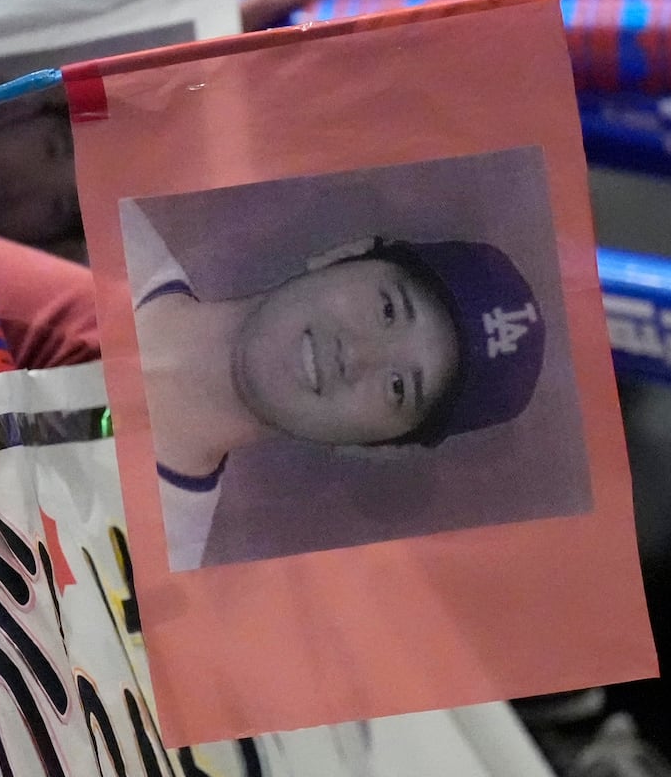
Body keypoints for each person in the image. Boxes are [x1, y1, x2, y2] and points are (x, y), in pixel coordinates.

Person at [120, 199, 547, 570]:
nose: (357, 356)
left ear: (373, 447)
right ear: (346, 254)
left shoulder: (150, 567)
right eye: (387, 309)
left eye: (398, 387)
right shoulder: (99, 226)